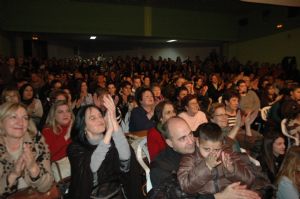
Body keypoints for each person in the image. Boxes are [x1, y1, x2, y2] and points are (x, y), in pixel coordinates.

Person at [150, 117, 260, 199]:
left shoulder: (201, 144)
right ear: (170, 143)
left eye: (190, 134)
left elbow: (222, 144)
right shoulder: (161, 166)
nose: (190, 141)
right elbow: (176, 196)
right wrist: (219, 196)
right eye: (182, 138)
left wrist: (233, 169)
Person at [67, 95, 131, 199]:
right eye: (93, 118)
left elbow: (126, 159)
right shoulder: (75, 148)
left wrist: (113, 120)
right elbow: (90, 170)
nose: (99, 120)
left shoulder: (110, 140)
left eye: (100, 116)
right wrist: (109, 131)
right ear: (84, 127)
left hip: (115, 194)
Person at [177, 122, 255, 194]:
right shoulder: (189, 158)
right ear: (197, 142)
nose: (212, 154)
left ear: (221, 145)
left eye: (217, 149)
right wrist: (207, 166)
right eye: (206, 149)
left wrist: (233, 170)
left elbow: (249, 181)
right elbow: (185, 186)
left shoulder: (226, 154)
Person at [0, 102, 53, 197]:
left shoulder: (36, 142)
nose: (21, 123)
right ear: (1, 121)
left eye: (25, 118)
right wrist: (13, 175)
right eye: (13, 117)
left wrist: (33, 168)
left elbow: (47, 185)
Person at [42, 100, 74, 181]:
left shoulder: (76, 126)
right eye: (60, 112)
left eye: (67, 111)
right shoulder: (48, 130)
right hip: (64, 170)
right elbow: (48, 154)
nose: (65, 114)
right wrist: (66, 136)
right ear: (54, 116)